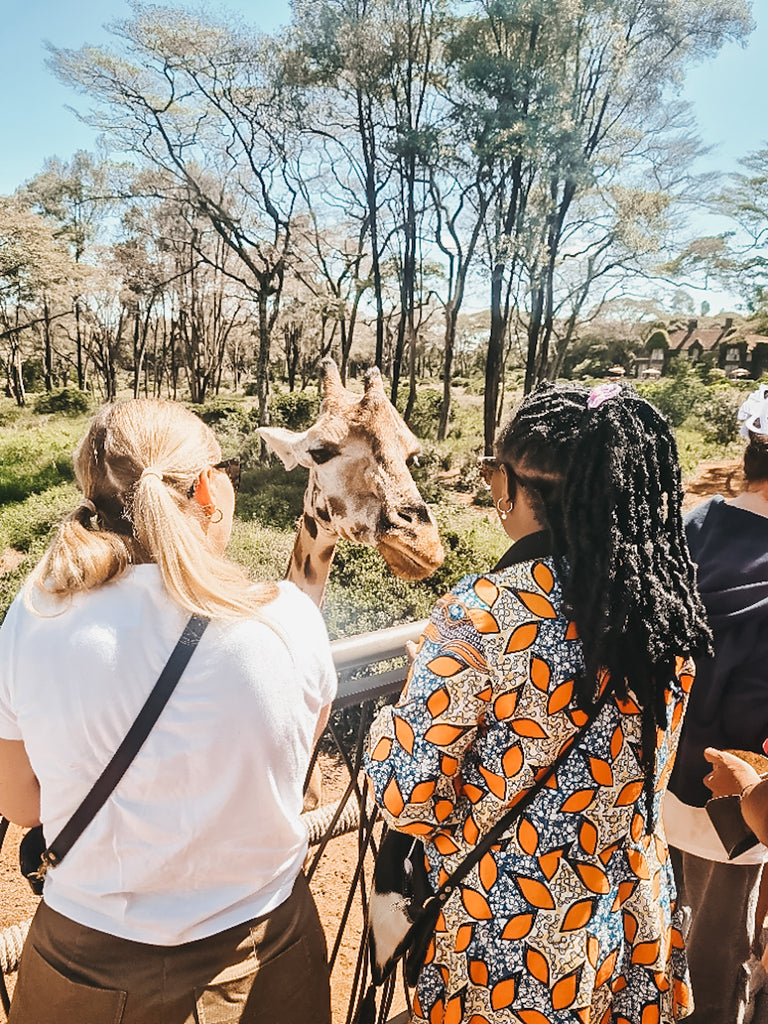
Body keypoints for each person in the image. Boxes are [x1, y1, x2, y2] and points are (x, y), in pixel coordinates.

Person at [363, 380, 711, 1024]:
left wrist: (397, 717)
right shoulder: (664, 608)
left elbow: (408, 799)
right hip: (625, 913)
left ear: (515, 490)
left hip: (509, 939)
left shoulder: (482, 615)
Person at [0, 399, 336, 1024]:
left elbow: (21, 804)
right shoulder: (288, 618)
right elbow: (296, 777)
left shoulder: (35, 615)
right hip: (265, 963)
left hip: (85, 969)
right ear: (210, 487)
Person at [664, 383, 768, 1024]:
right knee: (724, 944)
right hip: (747, 792)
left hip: (669, 775)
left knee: (675, 927)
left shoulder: (689, 528)